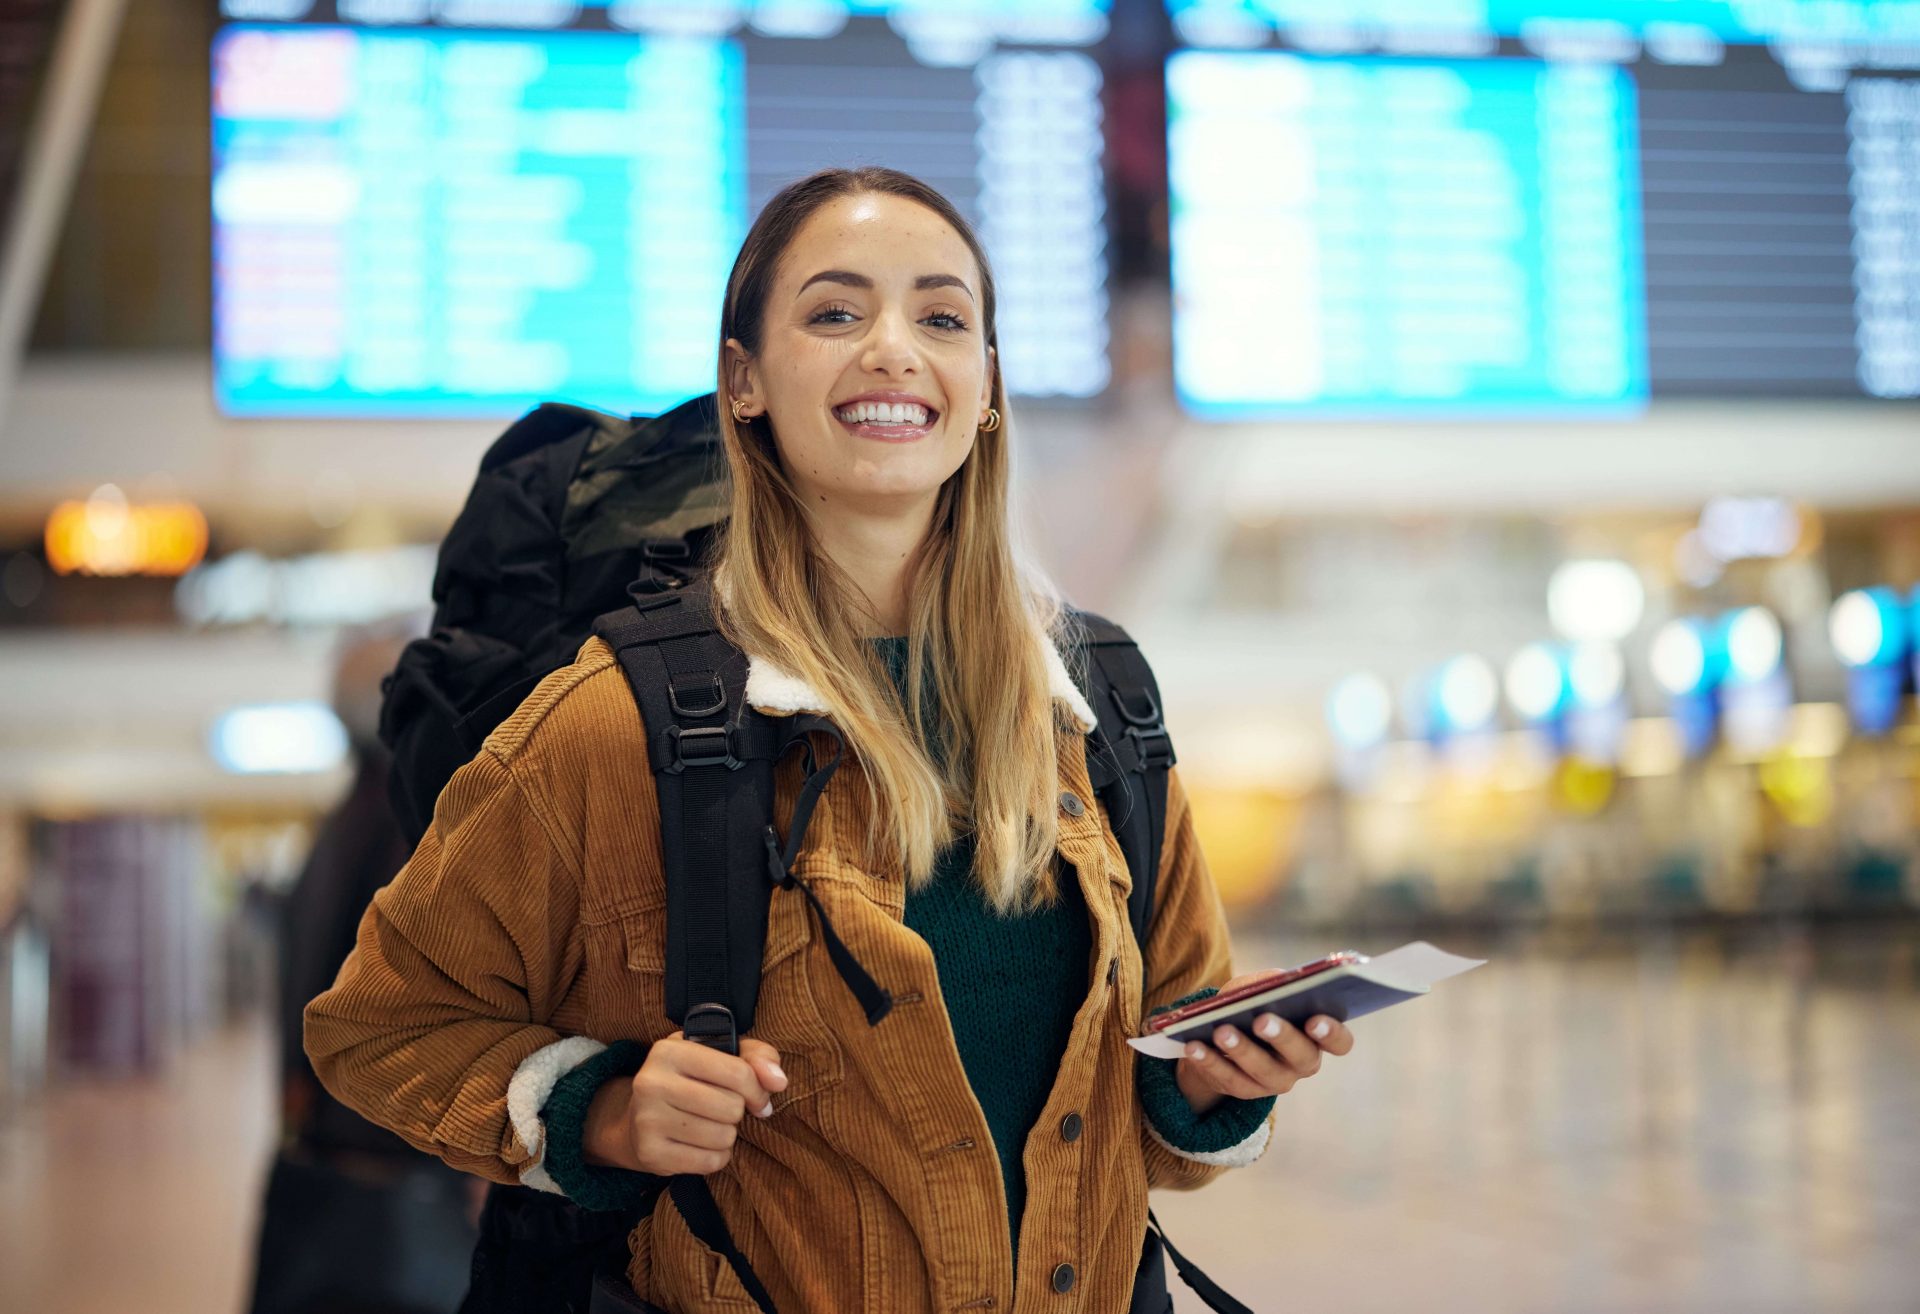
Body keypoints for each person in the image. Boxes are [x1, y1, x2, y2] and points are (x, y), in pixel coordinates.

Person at [304, 166, 1355, 1312]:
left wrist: (1216, 1083)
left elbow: (1157, 1079)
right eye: (836, 313)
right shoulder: (622, 719)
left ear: (987, 385)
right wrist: (601, 1111)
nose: (895, 350)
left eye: (943, 318)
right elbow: (380, 1024)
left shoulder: (1096, 704)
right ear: (743, 382)